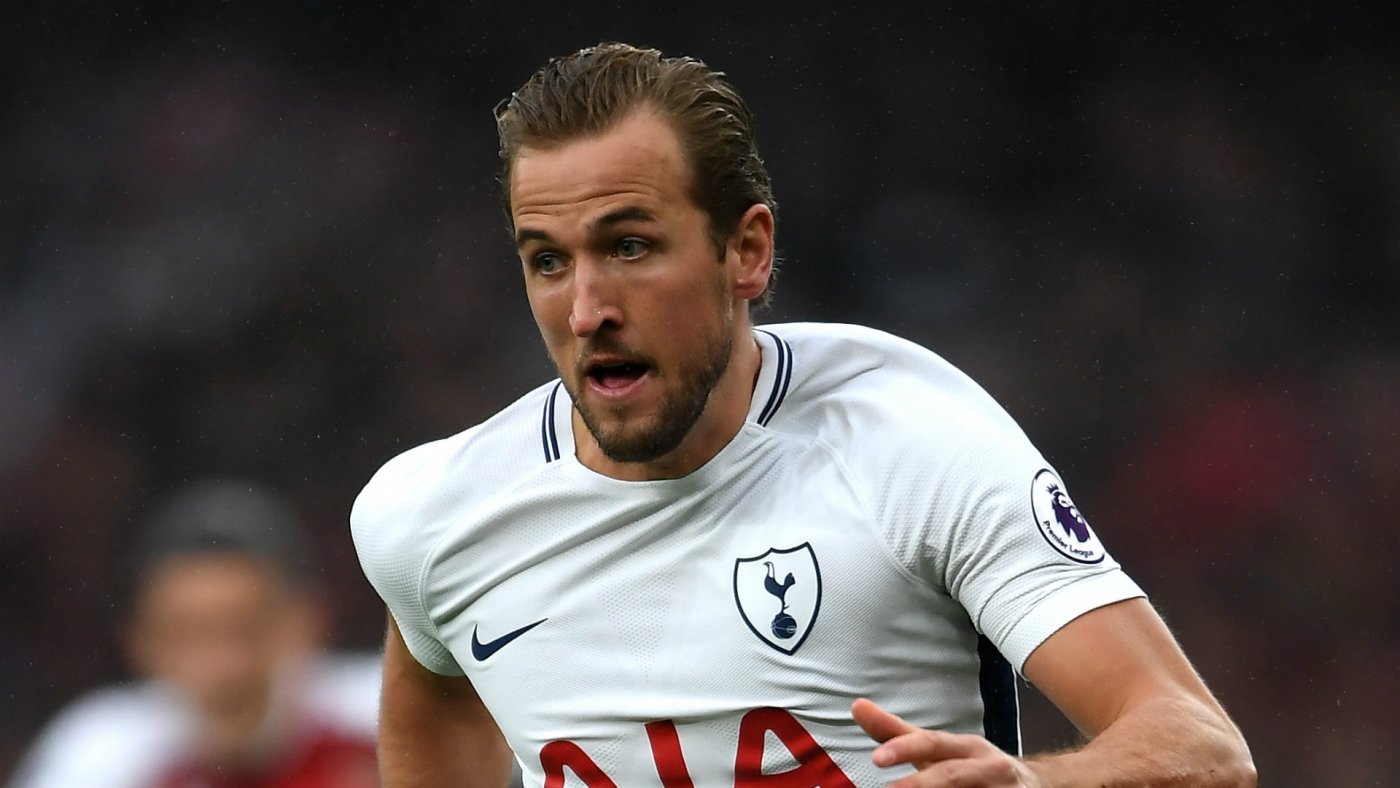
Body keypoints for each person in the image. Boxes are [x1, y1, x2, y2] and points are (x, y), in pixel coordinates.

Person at [351, 42, 1256, 787]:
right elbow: (437, 719)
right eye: (548, 261)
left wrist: (1038, 786)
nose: (587, 310)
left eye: (629, 246)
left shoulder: (908, 443)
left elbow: (1202, 749)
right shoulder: (433, 518)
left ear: (746, 251)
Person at [10, 480, 382, 788]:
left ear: (308, 622)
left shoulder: (385, 715)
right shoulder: (98, 755)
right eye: (189, 636)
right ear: (140, 644)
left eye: (246, 629)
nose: (226, 667)